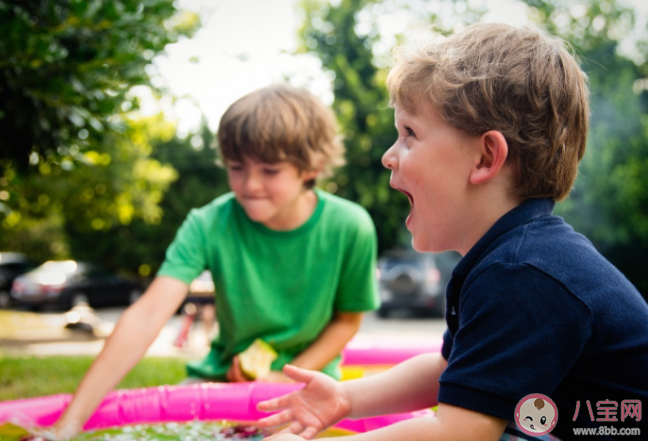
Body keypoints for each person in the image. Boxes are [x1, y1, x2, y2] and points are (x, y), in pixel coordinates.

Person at [255, 23, 648, 441]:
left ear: (485, 157)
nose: (389, 156)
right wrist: (347, 399)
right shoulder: (508, 258)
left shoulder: (524, 274)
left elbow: (461, 432)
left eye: (410, 134)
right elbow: (449, 369)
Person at [50, 84, 379, 439]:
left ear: (311, 167)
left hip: (310, 386)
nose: (250, 184)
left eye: (269, 170)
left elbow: (346, 321)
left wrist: (285, 376)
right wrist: (68, 424)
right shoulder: (208, 223)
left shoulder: (351, 226)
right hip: (220, 380)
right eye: (237, 167)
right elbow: (147, 316)